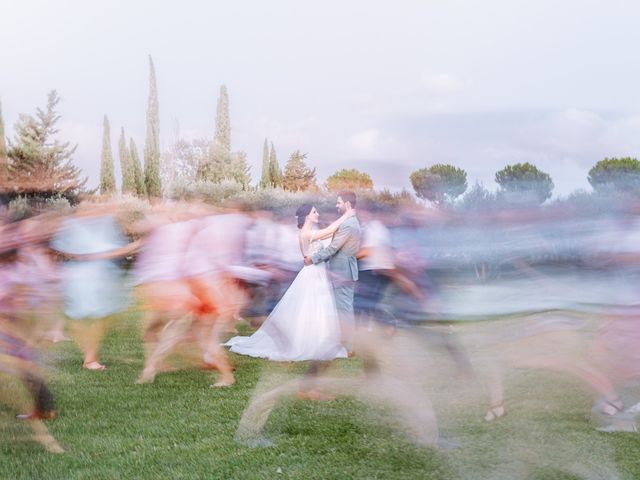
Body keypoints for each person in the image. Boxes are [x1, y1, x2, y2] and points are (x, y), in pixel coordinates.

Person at [224, 203, 355, 361]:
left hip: (317, 273)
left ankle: (318, 340)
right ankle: (310, 342)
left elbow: (331, 235)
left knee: (316, 307)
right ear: (307, 215)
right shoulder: (306, 233)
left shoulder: (311, 232)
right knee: (312, 306)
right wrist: (346, 216)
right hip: (313, 274)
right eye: (314, 212)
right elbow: (329, 231)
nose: (317, 214)